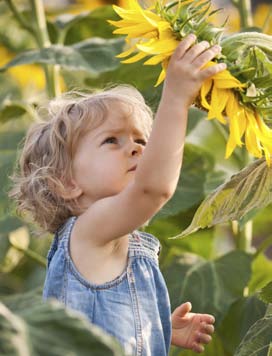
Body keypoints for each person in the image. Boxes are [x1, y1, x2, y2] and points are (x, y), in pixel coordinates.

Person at [9, 35, 226, 355]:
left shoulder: (108, 238)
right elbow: (154, 188)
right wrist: (176, 97)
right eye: (112, 140)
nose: (138, 148)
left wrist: (158, 326)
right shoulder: (89, 228)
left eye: (141, 140)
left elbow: (103, 322)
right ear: (66, 182)